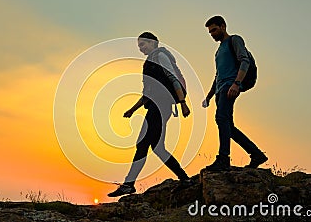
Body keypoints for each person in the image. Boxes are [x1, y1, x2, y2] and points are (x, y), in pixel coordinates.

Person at [108, 32, 191, 197]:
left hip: (162, 106)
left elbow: (173, 78)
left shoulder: (160, 56)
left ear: (153, 42)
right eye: (139, 46)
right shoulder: (149, 62)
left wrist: (182, 103)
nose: (141, 48)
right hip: (155, 105)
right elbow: (147, 93)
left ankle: (128, 184)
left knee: (143, 144)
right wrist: (132, 110)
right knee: (158, 147)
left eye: (143, 44)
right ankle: (184, 178)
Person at [202, 16, 268, 171]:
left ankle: (223, 159)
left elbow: (244, 60)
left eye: (214, 30)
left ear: (223, 26)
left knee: (221, 118)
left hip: (230, 86)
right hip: (220, 89)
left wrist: (237, 83)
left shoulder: (235, 40)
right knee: (228, 126)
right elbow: (218, 75)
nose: (212, 34)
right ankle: (257, 154)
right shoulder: (218, 51)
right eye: (210, 32)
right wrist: (209, 96)